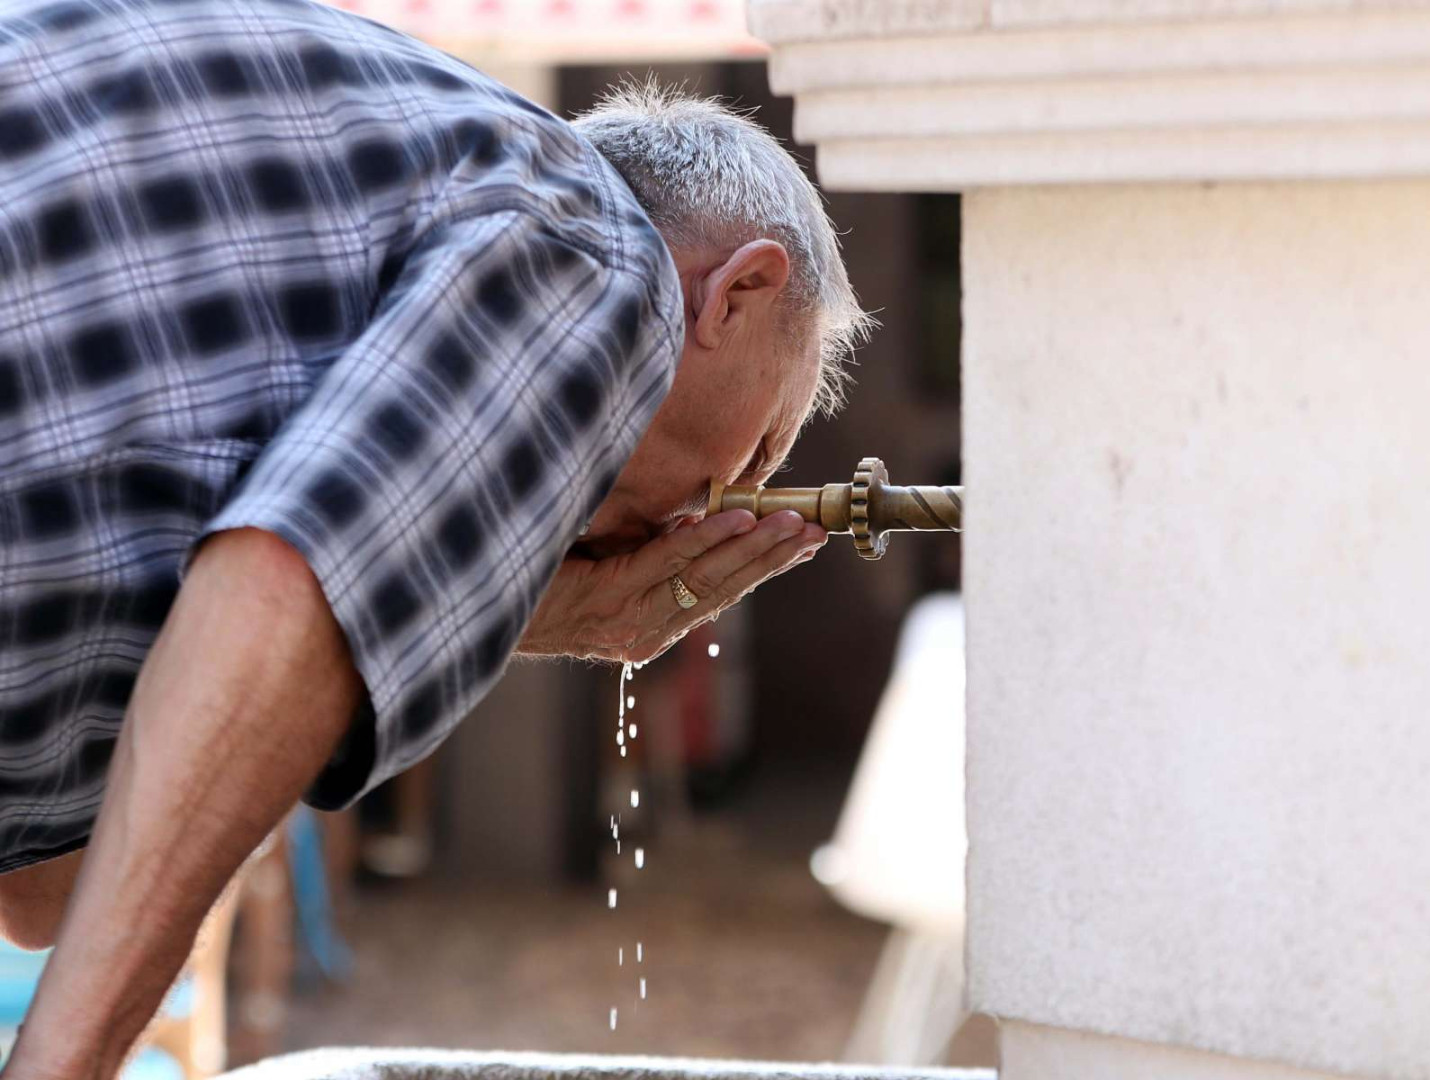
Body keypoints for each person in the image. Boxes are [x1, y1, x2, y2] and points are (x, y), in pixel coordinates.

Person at [0, 0, 870, 1072]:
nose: (716, 504)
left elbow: (45, 895)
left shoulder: (370, 263)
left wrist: (503, 611)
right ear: (736, 293)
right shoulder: (598, 250)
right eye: (762, 446)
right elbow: (291, 589)